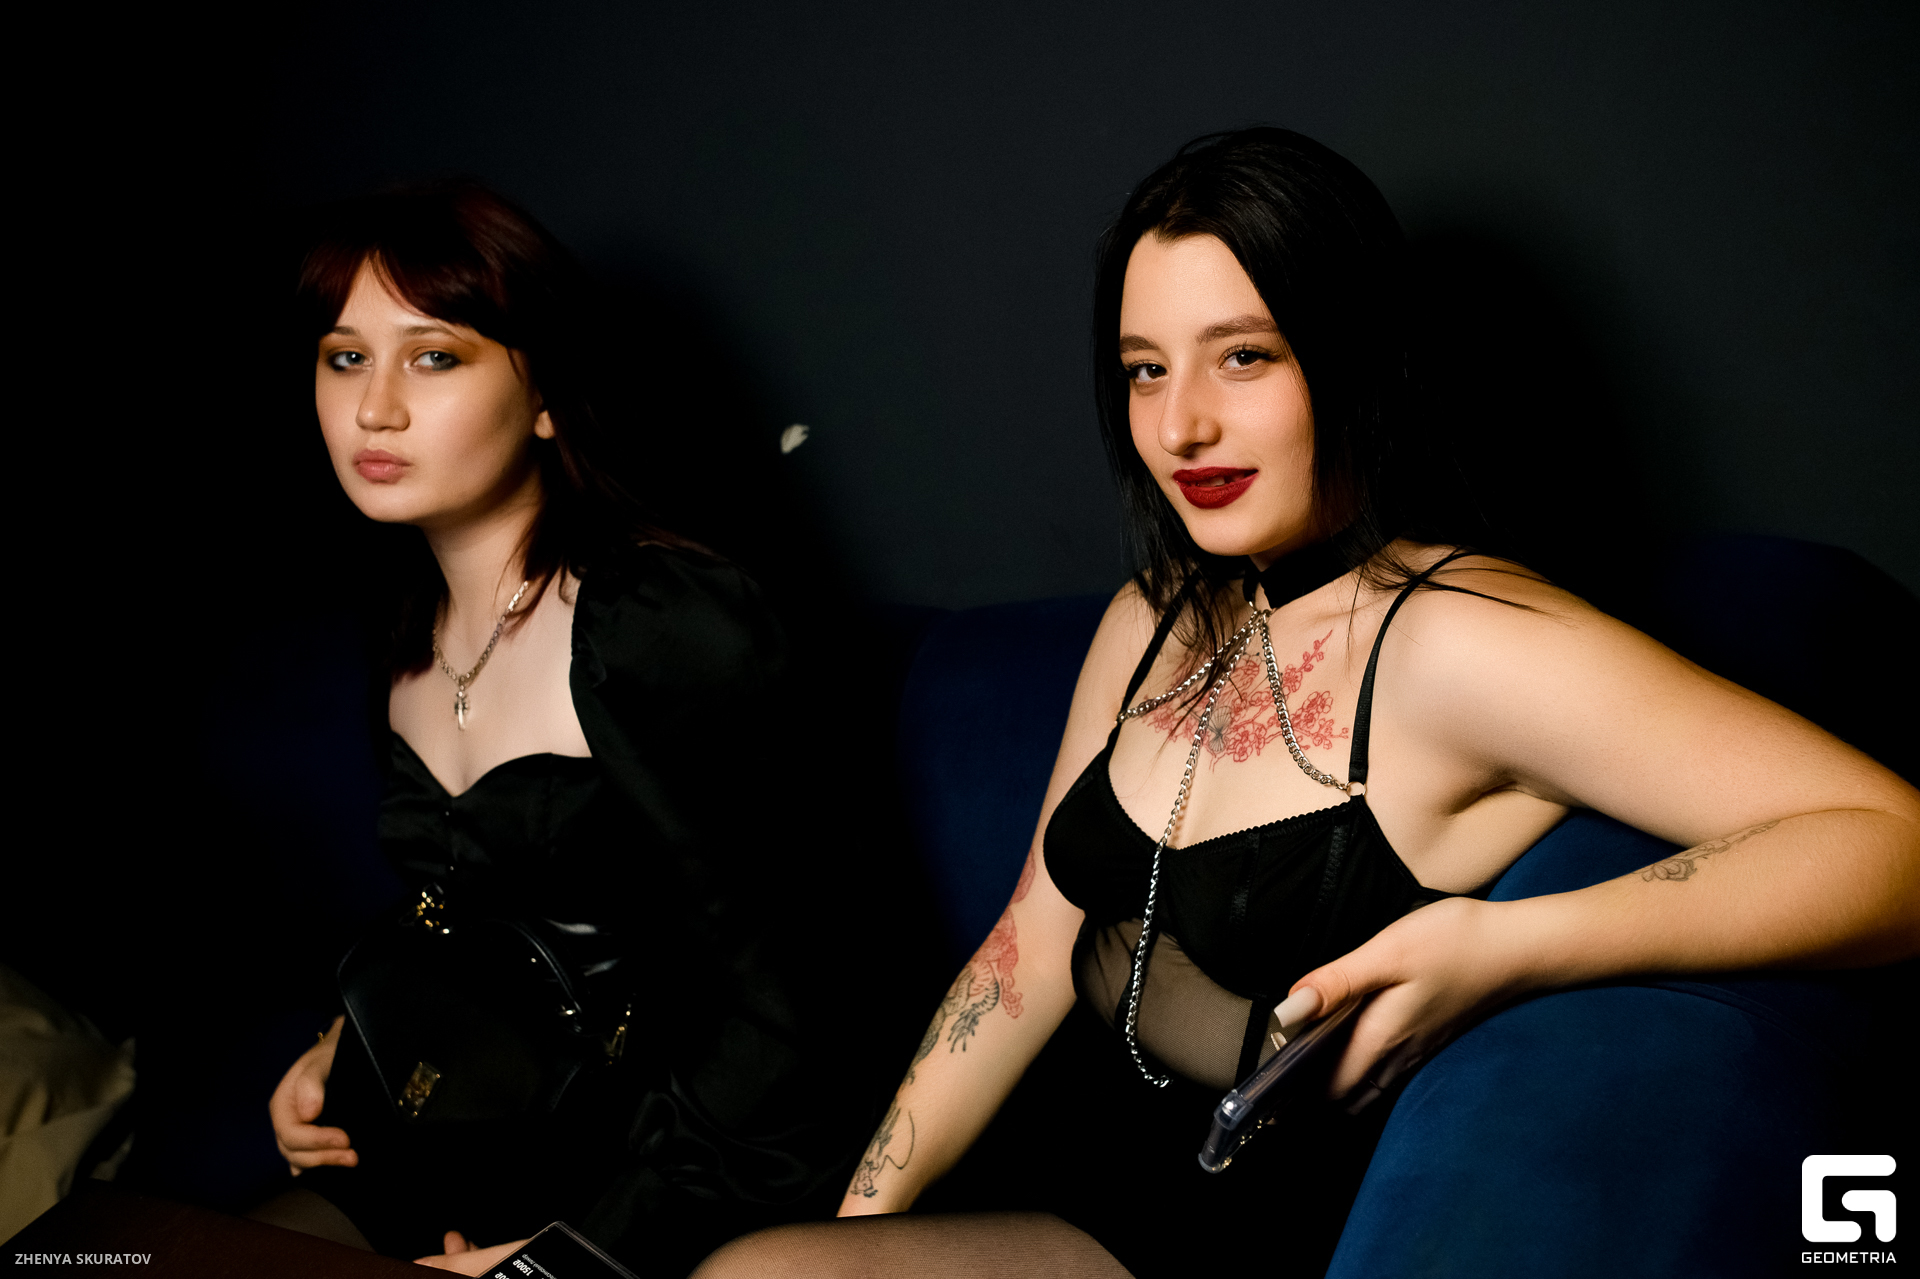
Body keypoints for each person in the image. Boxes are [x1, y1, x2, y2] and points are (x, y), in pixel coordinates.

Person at [690, 127, 1920, 1278]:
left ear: (1351, 357)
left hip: (1206, 1237)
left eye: (1244, 356)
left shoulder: (1458, 637)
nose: (1182, 426)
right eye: (1144, 371)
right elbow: (1027, 946)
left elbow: (1894, 842)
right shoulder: (1150, 615)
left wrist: (1505, 947)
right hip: (1050, 1178)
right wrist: (865, 1226)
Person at [251, 181, 856, 1276]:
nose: (374, 408)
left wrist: (570, 1255)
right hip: (465, 1148)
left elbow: (791, 1016)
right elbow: (476, 924)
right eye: (345, 358)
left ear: (544, 396)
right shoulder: (407, 628)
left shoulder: (662, 622)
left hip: (667, 1183)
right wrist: (347, 1046)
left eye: (434, 357)